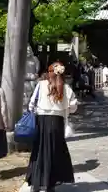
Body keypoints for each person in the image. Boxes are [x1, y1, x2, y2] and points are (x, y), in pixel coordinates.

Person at [25, 62, 78, 192]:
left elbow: (32, 104)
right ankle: (51, 184)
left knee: (39, 151)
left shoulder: (41, 85)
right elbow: (73, 107)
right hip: (57, 122)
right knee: (55, 152)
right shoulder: (65, 88)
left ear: (49, 73)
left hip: (42, 121)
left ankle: (36, 183)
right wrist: (62, 108)